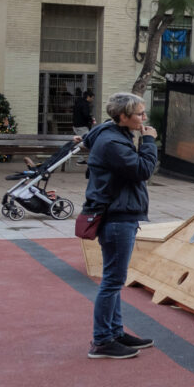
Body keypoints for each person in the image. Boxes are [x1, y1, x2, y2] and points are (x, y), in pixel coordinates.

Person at [81, 93, 159, 360]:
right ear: (123, 116)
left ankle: (115, 331)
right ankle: (102, 340)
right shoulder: (113, 141)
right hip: (117, 217)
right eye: (139, 113)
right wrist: (148, 141)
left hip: (118, 214)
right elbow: (143, 170)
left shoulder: (114, 135)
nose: (144, 118)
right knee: (112, 281)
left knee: (114, 279)